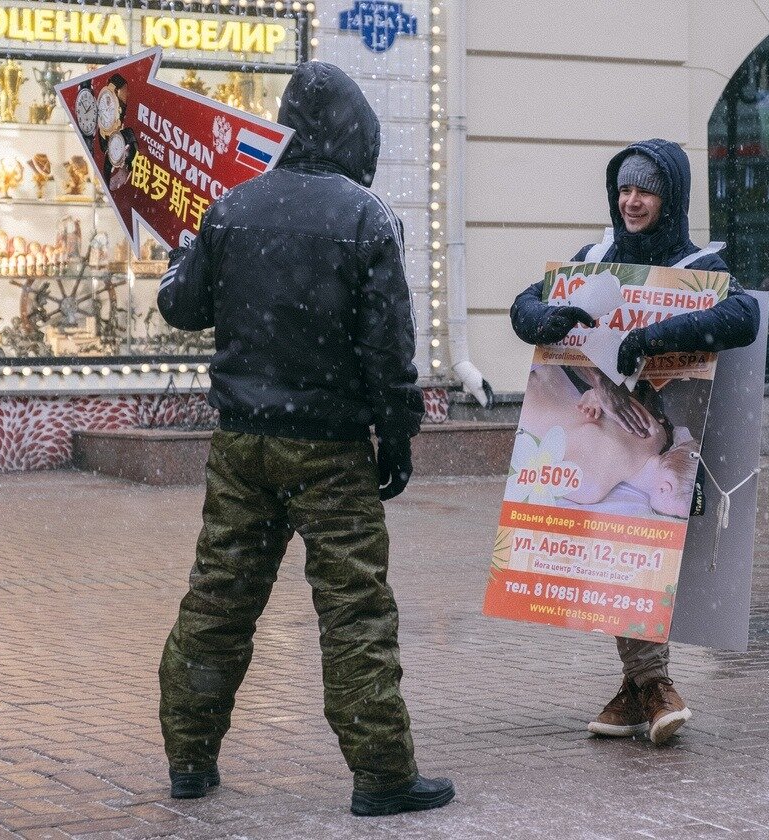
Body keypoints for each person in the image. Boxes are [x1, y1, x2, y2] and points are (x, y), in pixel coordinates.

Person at [155, 61, 454, 817]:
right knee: (353, 610)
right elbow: (389, 350)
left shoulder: (230, 209)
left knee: (219, 601)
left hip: (242, 446)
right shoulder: (366, 216)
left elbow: (182, 309)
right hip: (329, 452)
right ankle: (381, 773)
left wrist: (184, 260)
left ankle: (189, 759)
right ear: (358, 134)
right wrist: (399, 435)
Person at [509, 139, 760, 745]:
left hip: (679, 434)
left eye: (645, 188)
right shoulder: (594, 259)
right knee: (621, 552)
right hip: (613, 420)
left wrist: (655, 336)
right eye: (623, 188)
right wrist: (541, 318)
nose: (632, 200)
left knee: (649, 554)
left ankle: (643, 685)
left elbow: (743, 316)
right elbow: (525, 305)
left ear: (668, 196)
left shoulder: (700, 266)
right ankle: (646, 687)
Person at [517, 365, 698, 518]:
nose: (677, 518)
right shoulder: (592, 488)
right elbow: (529, 472)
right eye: (677, 516)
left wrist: (593, 395)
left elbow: (605, 396)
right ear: (664, 489)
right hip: (524, 403)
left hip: (547, 372)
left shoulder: (656, 433)